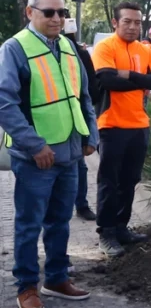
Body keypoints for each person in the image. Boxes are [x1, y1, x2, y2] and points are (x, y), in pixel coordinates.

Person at [0, 0, 99, 308]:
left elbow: (83, 96)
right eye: (49, 12)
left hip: (69, 153)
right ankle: (26, 286)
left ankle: (56, 278)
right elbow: (5, 103)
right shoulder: (15, 49)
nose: (57, 18)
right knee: (29, 224)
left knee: (60, 221)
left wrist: (90, 135)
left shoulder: (69, 47)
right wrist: (35, 145)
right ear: (31, 13)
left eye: (62, 12)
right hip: (36, 158)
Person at [91, 2, 151, 257]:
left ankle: (122, 227)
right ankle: (107, 233)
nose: (133, 26)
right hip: (111, 125)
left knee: (130, 180)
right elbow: (107, 80)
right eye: (127, 22)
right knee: (109, 182)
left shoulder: (144, 50)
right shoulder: (105, 47)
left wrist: (128, 75)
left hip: (139, 125)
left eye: (137, 22)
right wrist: (139, 79)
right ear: (115, 23)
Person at [63, 19, 99, 221]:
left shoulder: (80, 54)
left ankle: (81, 204)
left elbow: (91, 90)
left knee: (80, 167)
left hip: (75, 123)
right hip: (46, 126)